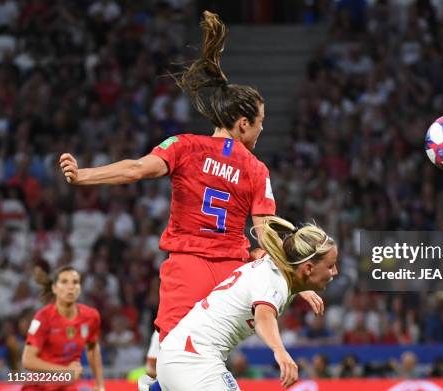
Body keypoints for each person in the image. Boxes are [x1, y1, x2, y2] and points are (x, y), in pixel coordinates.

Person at [58, 10, 323, 345]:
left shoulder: (183, 145)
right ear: (243, 123)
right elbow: (267, 236)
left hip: (188, 266)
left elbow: (136, 169)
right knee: (208, 353)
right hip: (232, 272)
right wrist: (294, 280)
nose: (261, 129)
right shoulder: (256, 169)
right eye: (260, 122)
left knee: (170, 355)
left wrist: (84, 176)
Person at [156, 216, 338, 390]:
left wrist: (302, 287)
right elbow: (263, 317)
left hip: (179, 353)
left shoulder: (278, 268)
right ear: (307, 268)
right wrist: (280, 352)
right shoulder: (276, 283)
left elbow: (260, 255)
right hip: (192, 359)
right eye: (330, 266)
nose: (335, 272)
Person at [21, 265, 104, 391]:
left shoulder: (91, 316)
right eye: (64, 282)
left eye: (75, 282)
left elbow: (92, 348)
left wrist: (99, 385)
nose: (70, 287)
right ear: (54, 288)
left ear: (80, 288)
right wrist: (66, 372)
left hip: (66, 387)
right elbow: (28, 360)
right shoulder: (42, 318)